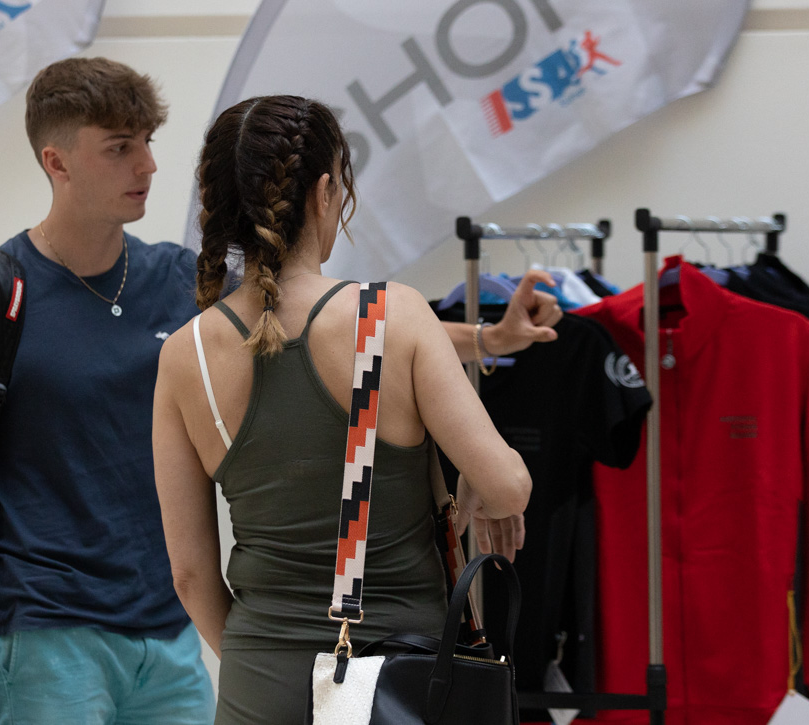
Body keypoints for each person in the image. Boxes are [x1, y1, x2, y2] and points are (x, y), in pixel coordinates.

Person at [152, 95, 556, 725]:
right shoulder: (389, 316)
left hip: (258, 686)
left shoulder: (185, 355)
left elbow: (189, 574)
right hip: (397, 687)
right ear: (323, 193)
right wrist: (478, 481)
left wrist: (266, 662)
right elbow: (508, 486)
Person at [0, 57, 216, 725]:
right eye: (119, 148)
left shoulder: (178, 279)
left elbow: (302, 324)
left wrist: (449, 334)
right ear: (58, 162)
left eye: (147, 143)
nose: (148, 166)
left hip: (168, 637)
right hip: (40, 634)